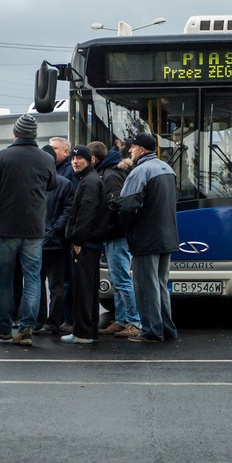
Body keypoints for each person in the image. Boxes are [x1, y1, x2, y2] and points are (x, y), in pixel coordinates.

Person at [0, 114, 56, 347]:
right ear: (34, 135)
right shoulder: (45, 158)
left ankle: (3, 327)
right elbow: (52, 184)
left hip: (4, 229)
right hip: (34, 229)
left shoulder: (2, 157)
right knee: (32, 278)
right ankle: (26, 328)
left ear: (15, 134)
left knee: (4, 279)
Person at [118, 133, 179, 343]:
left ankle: (152, 331)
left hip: (146, 237)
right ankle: (167, 329)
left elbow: (127, 207)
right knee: (161, 285)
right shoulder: (167, 168)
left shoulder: (140, 171)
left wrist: (123, 227)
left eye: (132, 147)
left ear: (142, 150)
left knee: (145, 287)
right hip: (167, 236)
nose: (129, 151)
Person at [89, 140, 141, 338]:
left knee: (121, 279)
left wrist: (105, 224)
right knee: (118, 279)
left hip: (115, 234)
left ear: (93, 159)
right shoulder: (113, 171)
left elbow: (116, 203)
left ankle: (134, 322)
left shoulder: (109, 175)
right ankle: (121, 320)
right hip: (116, 233)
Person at [62, 145, 112, 344]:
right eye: (73, 159)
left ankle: (83, 332)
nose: (75, 162)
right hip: (90, 243)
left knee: (83, 289)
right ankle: (87, 330)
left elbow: (86, 213)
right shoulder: (90, 179)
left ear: (89, 160)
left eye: (79, 158)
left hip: (85, 243)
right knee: (88, 289)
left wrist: (78, 240)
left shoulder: (89, 182)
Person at [37, 145, 74, 335]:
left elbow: (67, 211)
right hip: (53, 241)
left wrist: (51, 230)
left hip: (46, 241)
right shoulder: (64, 183)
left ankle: (46, 321)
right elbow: (67, 211)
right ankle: (50, 321)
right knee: (53, 286)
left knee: (45, 285)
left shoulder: (58, 183)